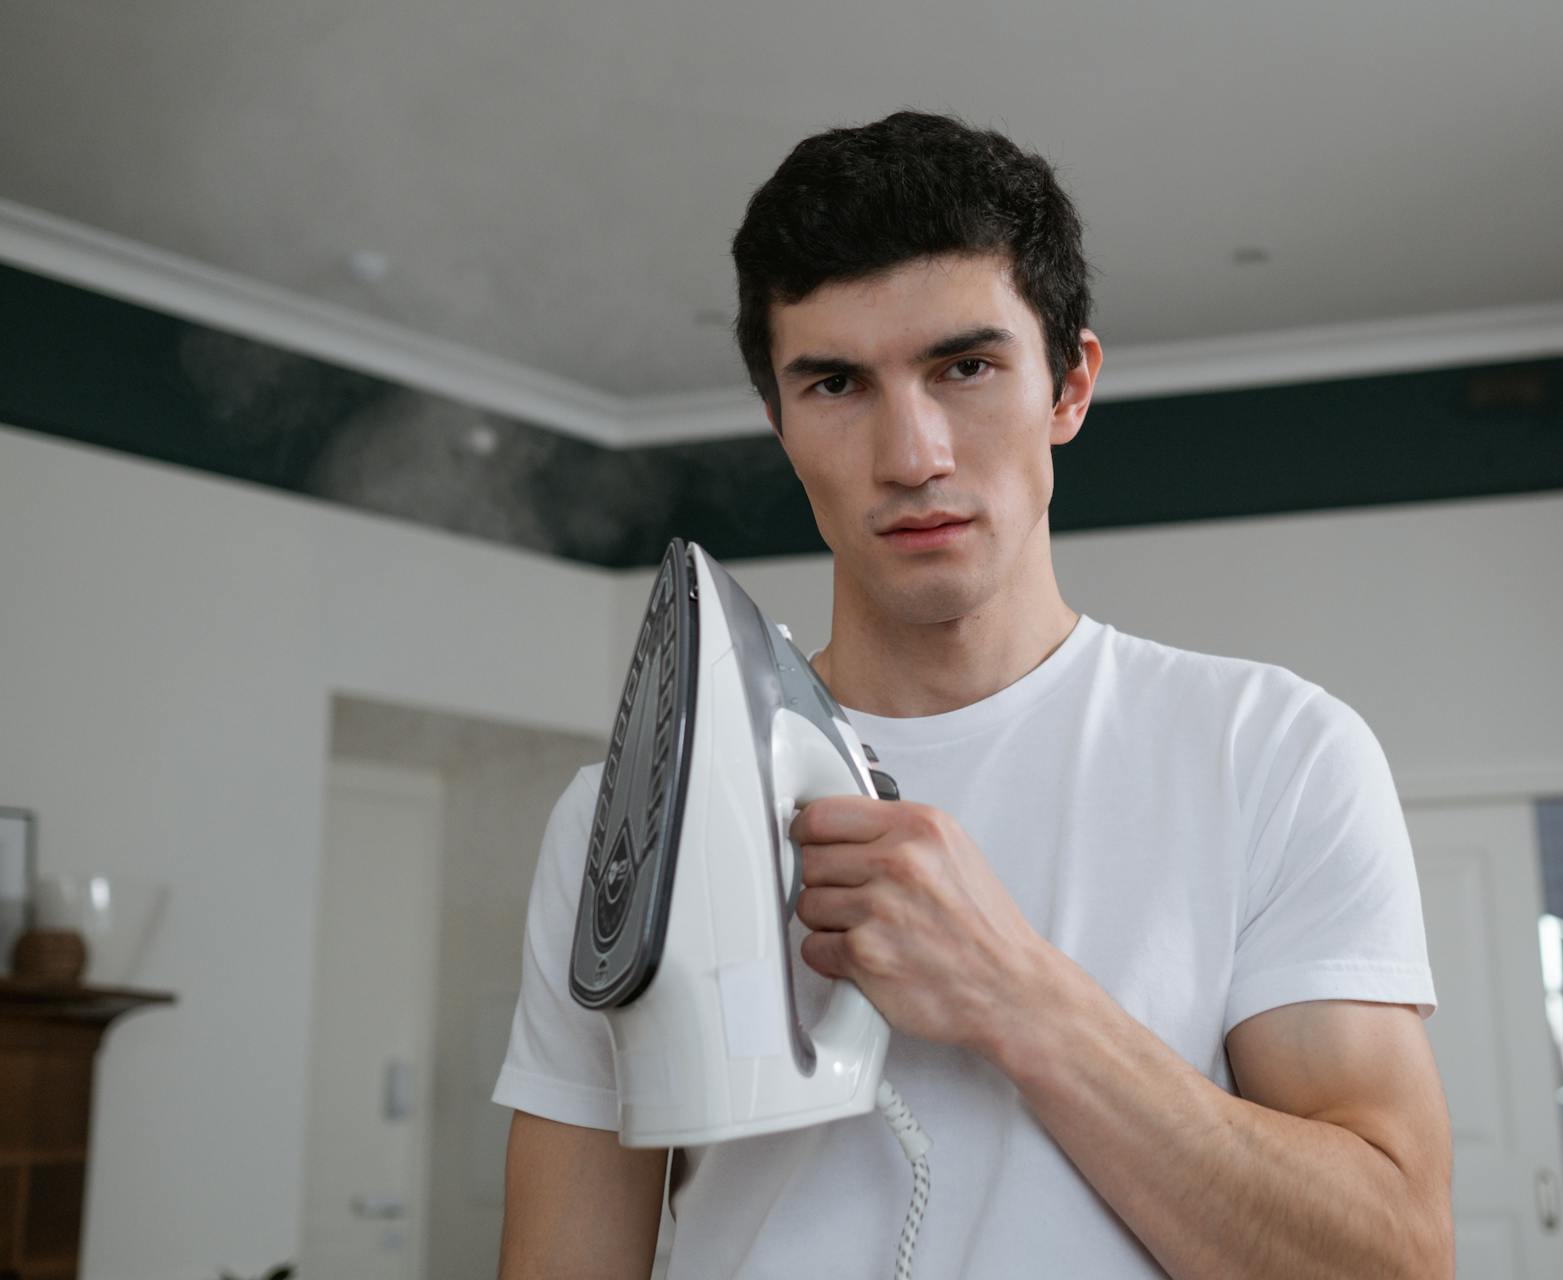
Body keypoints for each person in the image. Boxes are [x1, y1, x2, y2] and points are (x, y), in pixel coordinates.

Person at [495, 110, 1452, 1279]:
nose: (912, 453)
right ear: (781, 424)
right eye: (838, 382)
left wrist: (1018, 996)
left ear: (1069, 384)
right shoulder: (629, 819)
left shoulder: (1273, 752)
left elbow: (1393, 1257)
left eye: (966, 365)